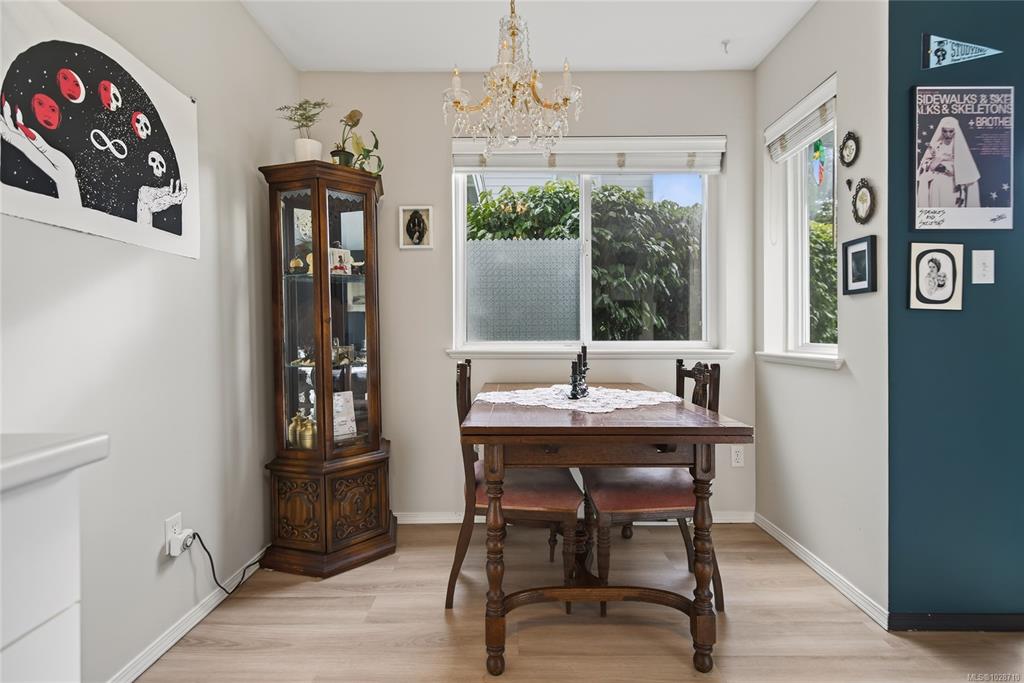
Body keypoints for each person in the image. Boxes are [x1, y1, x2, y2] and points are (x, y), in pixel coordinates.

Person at [916, 116, 980, 208]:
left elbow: (967, 170)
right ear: (941, 131)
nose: (948, 134)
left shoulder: (960, 147)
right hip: (937, 182)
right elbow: (928, 165)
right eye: (945, 131)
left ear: (955, 131)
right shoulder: (936, 146)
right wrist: (941, 159)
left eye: (950, 131)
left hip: (953, 184)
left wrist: (955, 171)